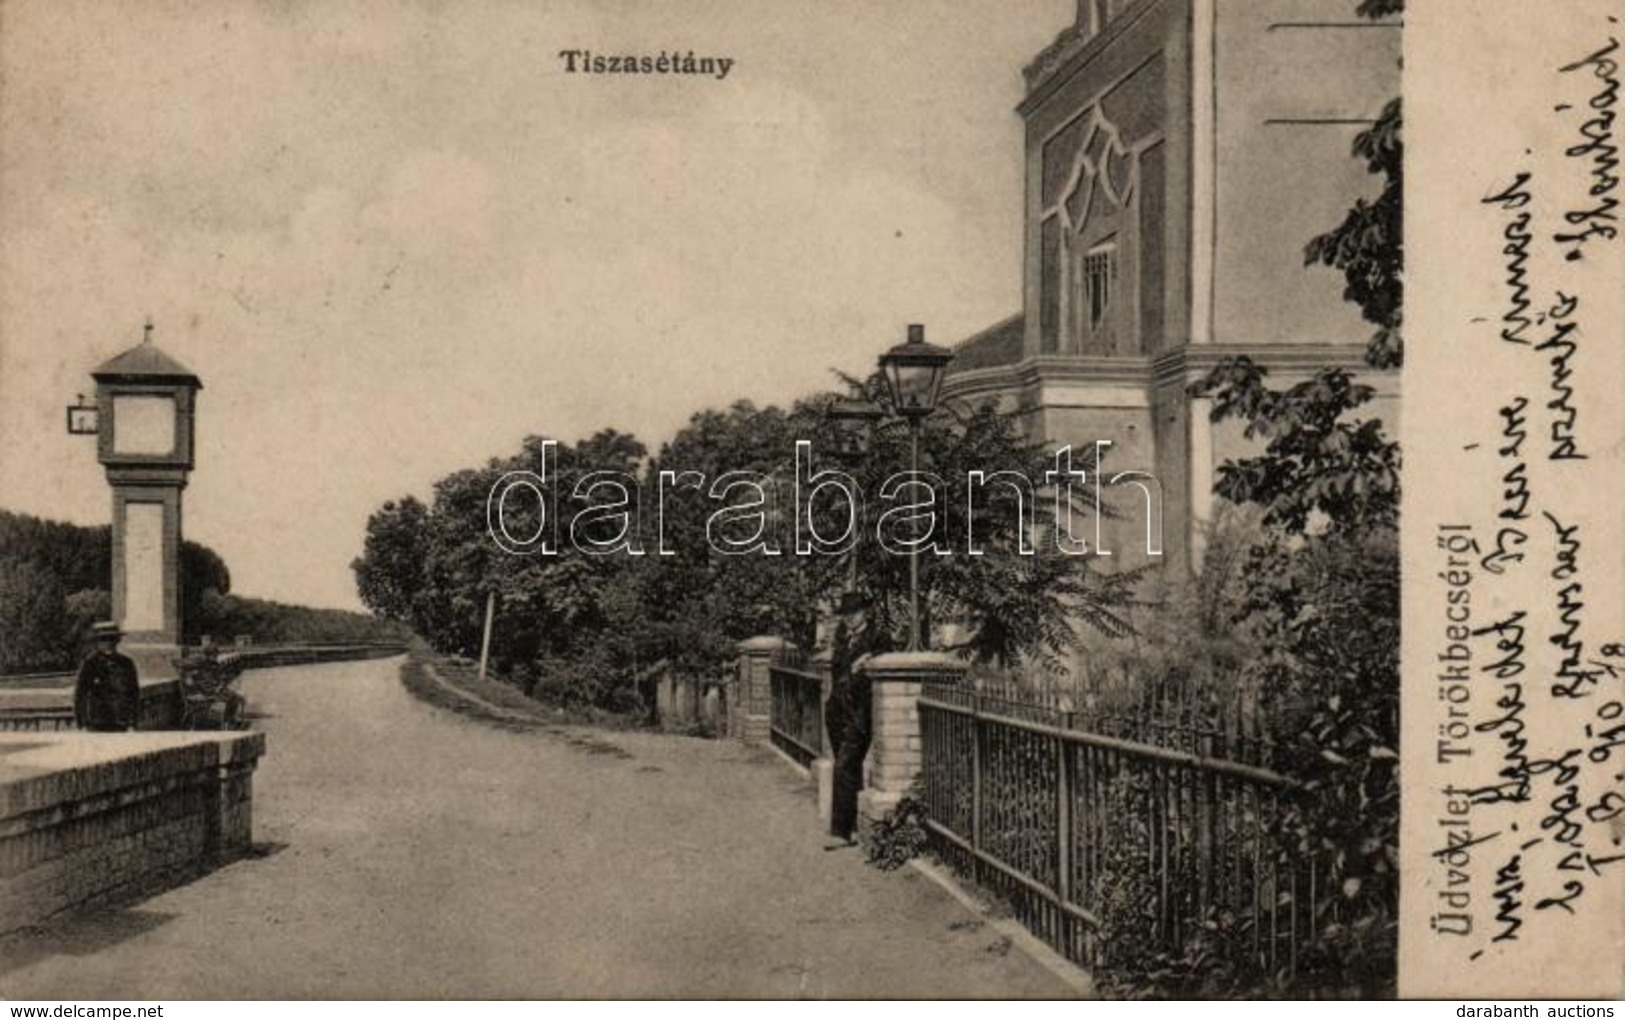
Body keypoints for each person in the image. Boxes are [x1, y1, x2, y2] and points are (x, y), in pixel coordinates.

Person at [823, 593, 871, 849]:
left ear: (865, 613)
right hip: (836, 712)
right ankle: (853, 826)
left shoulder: (877, 638)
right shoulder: (841, 639)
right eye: (846, 614)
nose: (850, 619)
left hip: (860, 714)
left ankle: (840, 832)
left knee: (843, 766)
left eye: (854, 613)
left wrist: (865, 660)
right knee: (849, 768)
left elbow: (881, 663)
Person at [74, 621, 140, 732]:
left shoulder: (126, 663)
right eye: (104, 639)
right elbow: (80, 694)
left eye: (112, 639)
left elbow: (134, 694)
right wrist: (81, 723)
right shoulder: (90, 664)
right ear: (97, 642)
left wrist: (133, 723)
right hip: (96, 723)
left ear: (117, 641)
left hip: (120, 722)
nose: (108, 643)